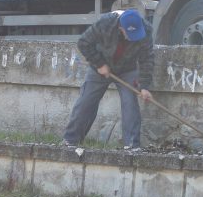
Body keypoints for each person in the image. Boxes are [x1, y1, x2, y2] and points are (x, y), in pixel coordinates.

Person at [64, 8, 154, 150]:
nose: (135, 37)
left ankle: (132, 146)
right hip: (100, 67)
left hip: (127, 69)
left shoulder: (146, 30)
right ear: (121, 28)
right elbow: (83, 43)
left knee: (130, 104)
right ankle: (70, 140)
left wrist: (144, 86)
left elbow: (147, 58)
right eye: (130, 34)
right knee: (86, 101)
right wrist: (99, 64)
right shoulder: (106, 23)